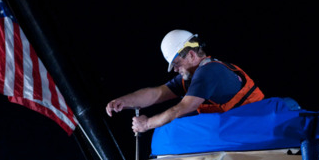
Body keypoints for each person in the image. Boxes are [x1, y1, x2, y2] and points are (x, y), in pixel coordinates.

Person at [105, 29, 264, 133]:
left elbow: (182, 108)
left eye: (176, 64)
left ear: (192, 56)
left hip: (256, 127)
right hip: (239, 130)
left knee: (173, 130)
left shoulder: (209, 72)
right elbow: (157, 93)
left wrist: (147, 124)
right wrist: (124, 101)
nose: (175, 70)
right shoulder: (192, 76)